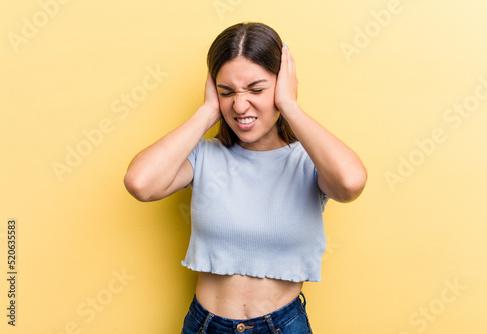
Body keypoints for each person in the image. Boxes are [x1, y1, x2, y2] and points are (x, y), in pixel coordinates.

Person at [124, 22, 367, 334]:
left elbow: (350, 183)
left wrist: (290, 106)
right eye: (227, 92)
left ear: (281, 85)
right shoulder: (204, 155)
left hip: (281, 326)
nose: (239, 106)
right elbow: (140, 183)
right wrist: (208, 111)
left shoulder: (308, 160)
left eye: (256, 89)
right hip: (205, 326)